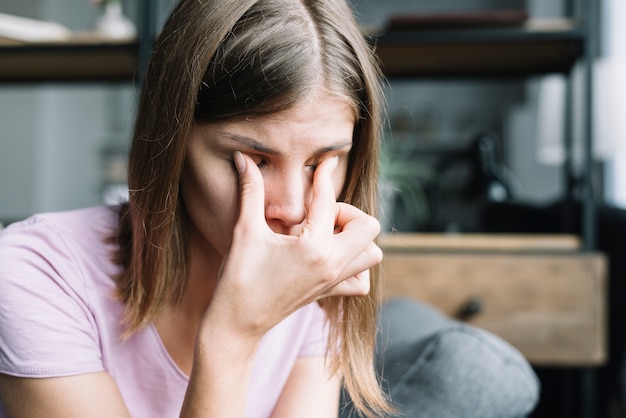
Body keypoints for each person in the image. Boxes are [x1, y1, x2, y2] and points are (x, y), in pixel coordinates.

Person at [0, 0, 393, 417]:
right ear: (173, 143)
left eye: (319, 163)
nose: (294, 210)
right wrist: (232, 336)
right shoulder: (32, 274)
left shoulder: (314, 268)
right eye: (253, 161)